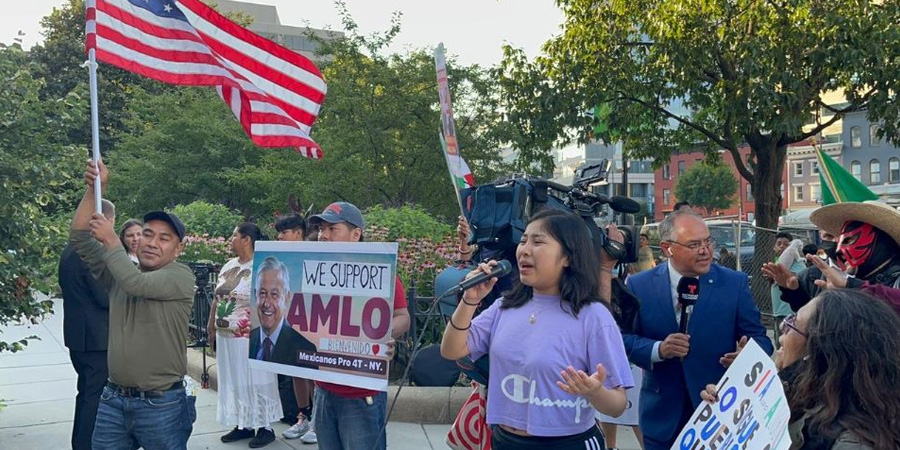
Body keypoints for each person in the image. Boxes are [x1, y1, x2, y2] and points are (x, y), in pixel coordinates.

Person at [441, 209, 634, 450]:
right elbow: (452, 350)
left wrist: (594, 392)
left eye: (538, 242)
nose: (524, 250)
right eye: (523, 241)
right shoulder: (504, 307)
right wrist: (469, 300)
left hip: (567, 443)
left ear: (568, 257)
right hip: (505, 440)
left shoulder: (593, 316)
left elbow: (617, 405)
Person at [70, 160, 195, 449]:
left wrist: (111, 240)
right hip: (113, 399)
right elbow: (79, 238)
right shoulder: (120, 273)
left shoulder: (180, 276)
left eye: (164, 239)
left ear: (178, 249)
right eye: (148, 234)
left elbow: (136, 284)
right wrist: (94, 190)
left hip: (162, 405)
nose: (151, 242)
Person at [622, 209, 773, 450]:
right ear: (667, 248)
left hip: (719, 415)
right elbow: (622, 340)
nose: (705, 250)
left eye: (708, 242)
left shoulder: (733, 283)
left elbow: (761, 339)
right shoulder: (640, 285)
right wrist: (659, 349)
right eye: (694, 245)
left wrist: (748, 355)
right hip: (662, 419)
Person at [703, 289, 900, 450]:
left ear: (821, 351)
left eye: (793, 324)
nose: (782, 326)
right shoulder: (794, 394)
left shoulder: (852, 443)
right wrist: (728, 410)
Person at [307, 201, 411, 450]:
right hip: (323, 389)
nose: (324, 236)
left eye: (333, 229)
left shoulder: (380, 272)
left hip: (361, 394)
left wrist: (382, 334)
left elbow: (402, 317)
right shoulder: (311, 271)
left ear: (356, 235)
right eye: (321, 229)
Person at [208, 223, 283, 448]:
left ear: (246, 239)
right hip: (226, 335)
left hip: (250, 335)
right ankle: (244, 423)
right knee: (234, 378)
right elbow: (217, 298)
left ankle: (265, 426)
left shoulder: (261, 267)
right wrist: (211, 325)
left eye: (234, 235)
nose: (230, 239)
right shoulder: (229, 265)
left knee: (256, 379)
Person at [765, 201, 900, 311]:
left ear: (880, 242)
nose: (838, 249)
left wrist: (851, 287)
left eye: (848, 240)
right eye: (836, 239)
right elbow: (825, 324)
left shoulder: (895, 281)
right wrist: (795, 292)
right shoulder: (836, 279)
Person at [59, 198, 115, 450]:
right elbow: (104, 297)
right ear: (106, 220)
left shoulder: (69, 250)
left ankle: (80, 442)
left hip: (78, 336)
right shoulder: (91, 253)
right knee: (94, 397)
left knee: (85, 394)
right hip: (97, 337)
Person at [273, 214, 319, 444]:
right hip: (291, 319)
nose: (280, 237)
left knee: (313, 372)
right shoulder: (281, 258)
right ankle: (304, 416)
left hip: (313, 319)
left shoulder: (316, 252)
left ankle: (317, 421)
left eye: (284, 232)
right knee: (296, 370)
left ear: (298, 232)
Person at [248, 257, 319, 366]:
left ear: (287, 297)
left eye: (274, 294)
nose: (267, 303)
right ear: (255, 294)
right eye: (262, 293)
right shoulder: (248, 339)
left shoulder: (305, 349)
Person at [770, 232, 806, 326]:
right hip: (778, 311)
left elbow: (795, 278)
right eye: (779, 244)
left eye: (786, 244)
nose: (782, 246)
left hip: (789, 312)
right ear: (774, 247)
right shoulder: (778, 261)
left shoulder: (798, 263)